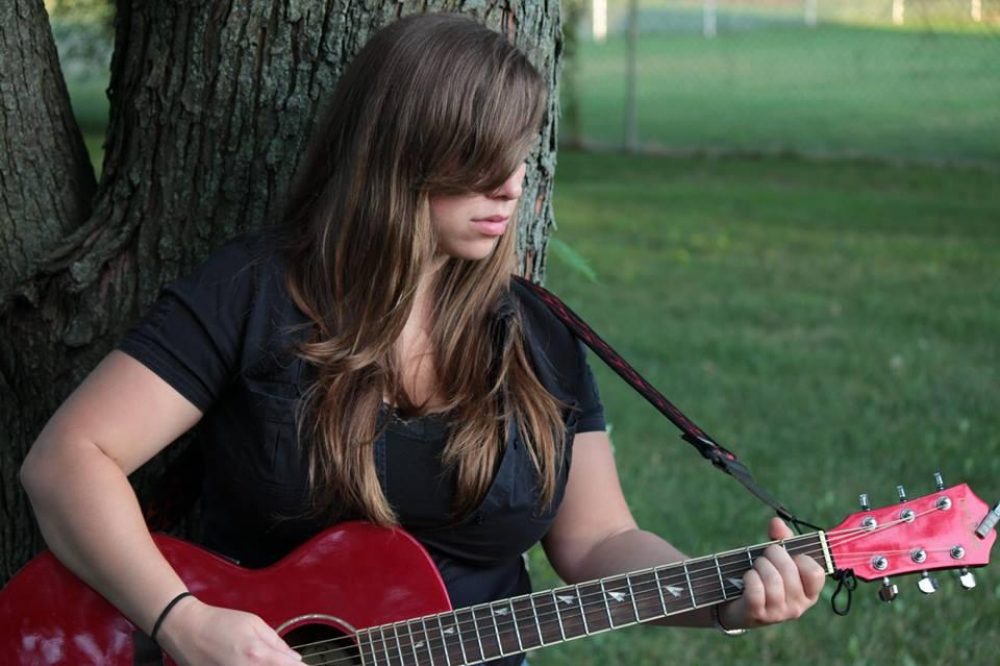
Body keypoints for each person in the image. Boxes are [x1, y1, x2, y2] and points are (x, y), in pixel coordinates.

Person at [19, 11, 825, 666]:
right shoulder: (257, 291)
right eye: (477, 158)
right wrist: (185, 623)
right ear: (395, 157)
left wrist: (719, 597)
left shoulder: (540, 335)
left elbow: (600, 541)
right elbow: (69, 461)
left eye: (515, 153)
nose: (511, 184)